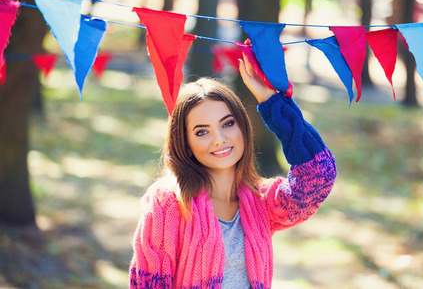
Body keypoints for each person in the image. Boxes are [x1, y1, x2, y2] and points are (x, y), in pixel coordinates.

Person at [129, 53, 337, 289]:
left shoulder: (261, 202)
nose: (219, 139)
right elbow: (149, 284)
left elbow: (319, 174)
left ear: (242, 127)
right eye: (201, 132)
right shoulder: (168, 201)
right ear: (185, 143)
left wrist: (272, 102)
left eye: (228, 124)